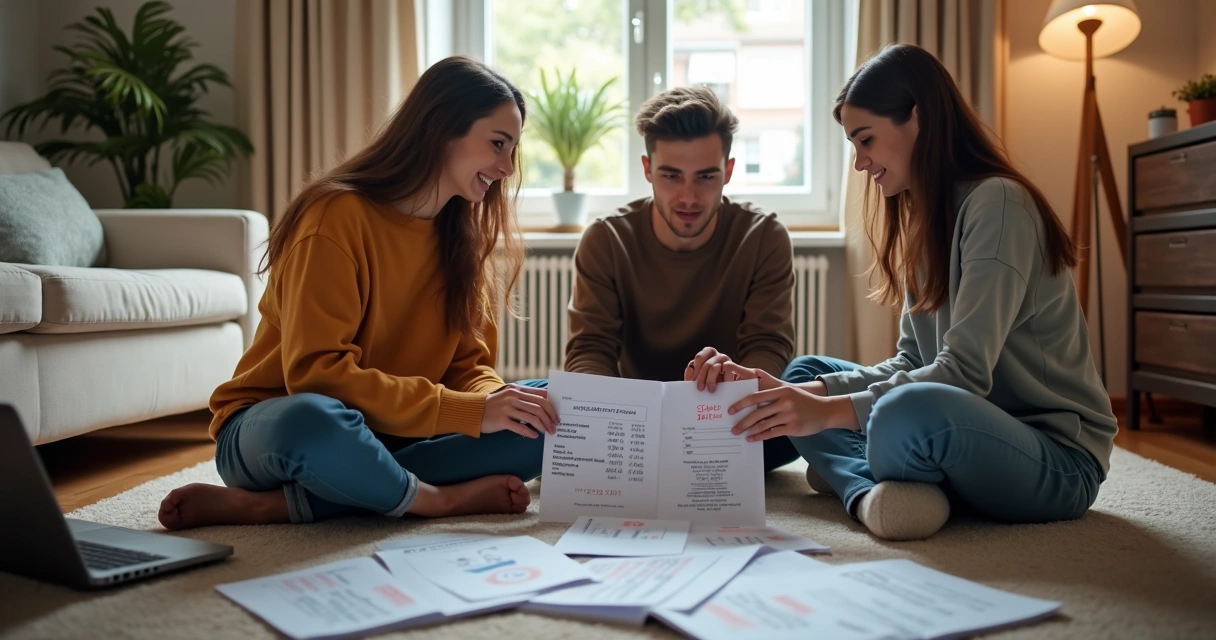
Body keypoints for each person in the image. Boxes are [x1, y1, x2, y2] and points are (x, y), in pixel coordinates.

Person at [712, 44, 1117, 541]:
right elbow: (908, 361)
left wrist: (822, 415)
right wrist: (799, 395)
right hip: (961, 430)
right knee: (805, 372)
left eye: (866, 141)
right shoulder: (928, 217)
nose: (860, 163)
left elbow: (963, 376)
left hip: (1055, 459)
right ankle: (873, 488)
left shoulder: (999, 204)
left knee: (899, 414)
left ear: (918, 119)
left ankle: (858, 472)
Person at [157, 56, 558, 530]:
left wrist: (494, 403)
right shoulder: (336, 215)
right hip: (277, 428)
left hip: (392, 436)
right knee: (314, 421)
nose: (507, 167)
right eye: (498, 144)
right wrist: (469, 413)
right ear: (441, 129)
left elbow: (467, 367)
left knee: (549, 409)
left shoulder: (462, 239)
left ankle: (281, 506)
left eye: (512, 150)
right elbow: (317, 375)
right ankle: (436, 500)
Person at [522, 85, 801, 473]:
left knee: (808, 386)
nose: (688, 196)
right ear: (647, 169)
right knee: (537, 399)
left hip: (726, 416)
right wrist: (613, 417)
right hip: (634, 421)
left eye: (706, 176)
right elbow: (590, 350)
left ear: (729, 172)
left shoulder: (764, 237)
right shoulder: (607, 239)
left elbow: (769, 346)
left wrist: (730, 387)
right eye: (671, 175)